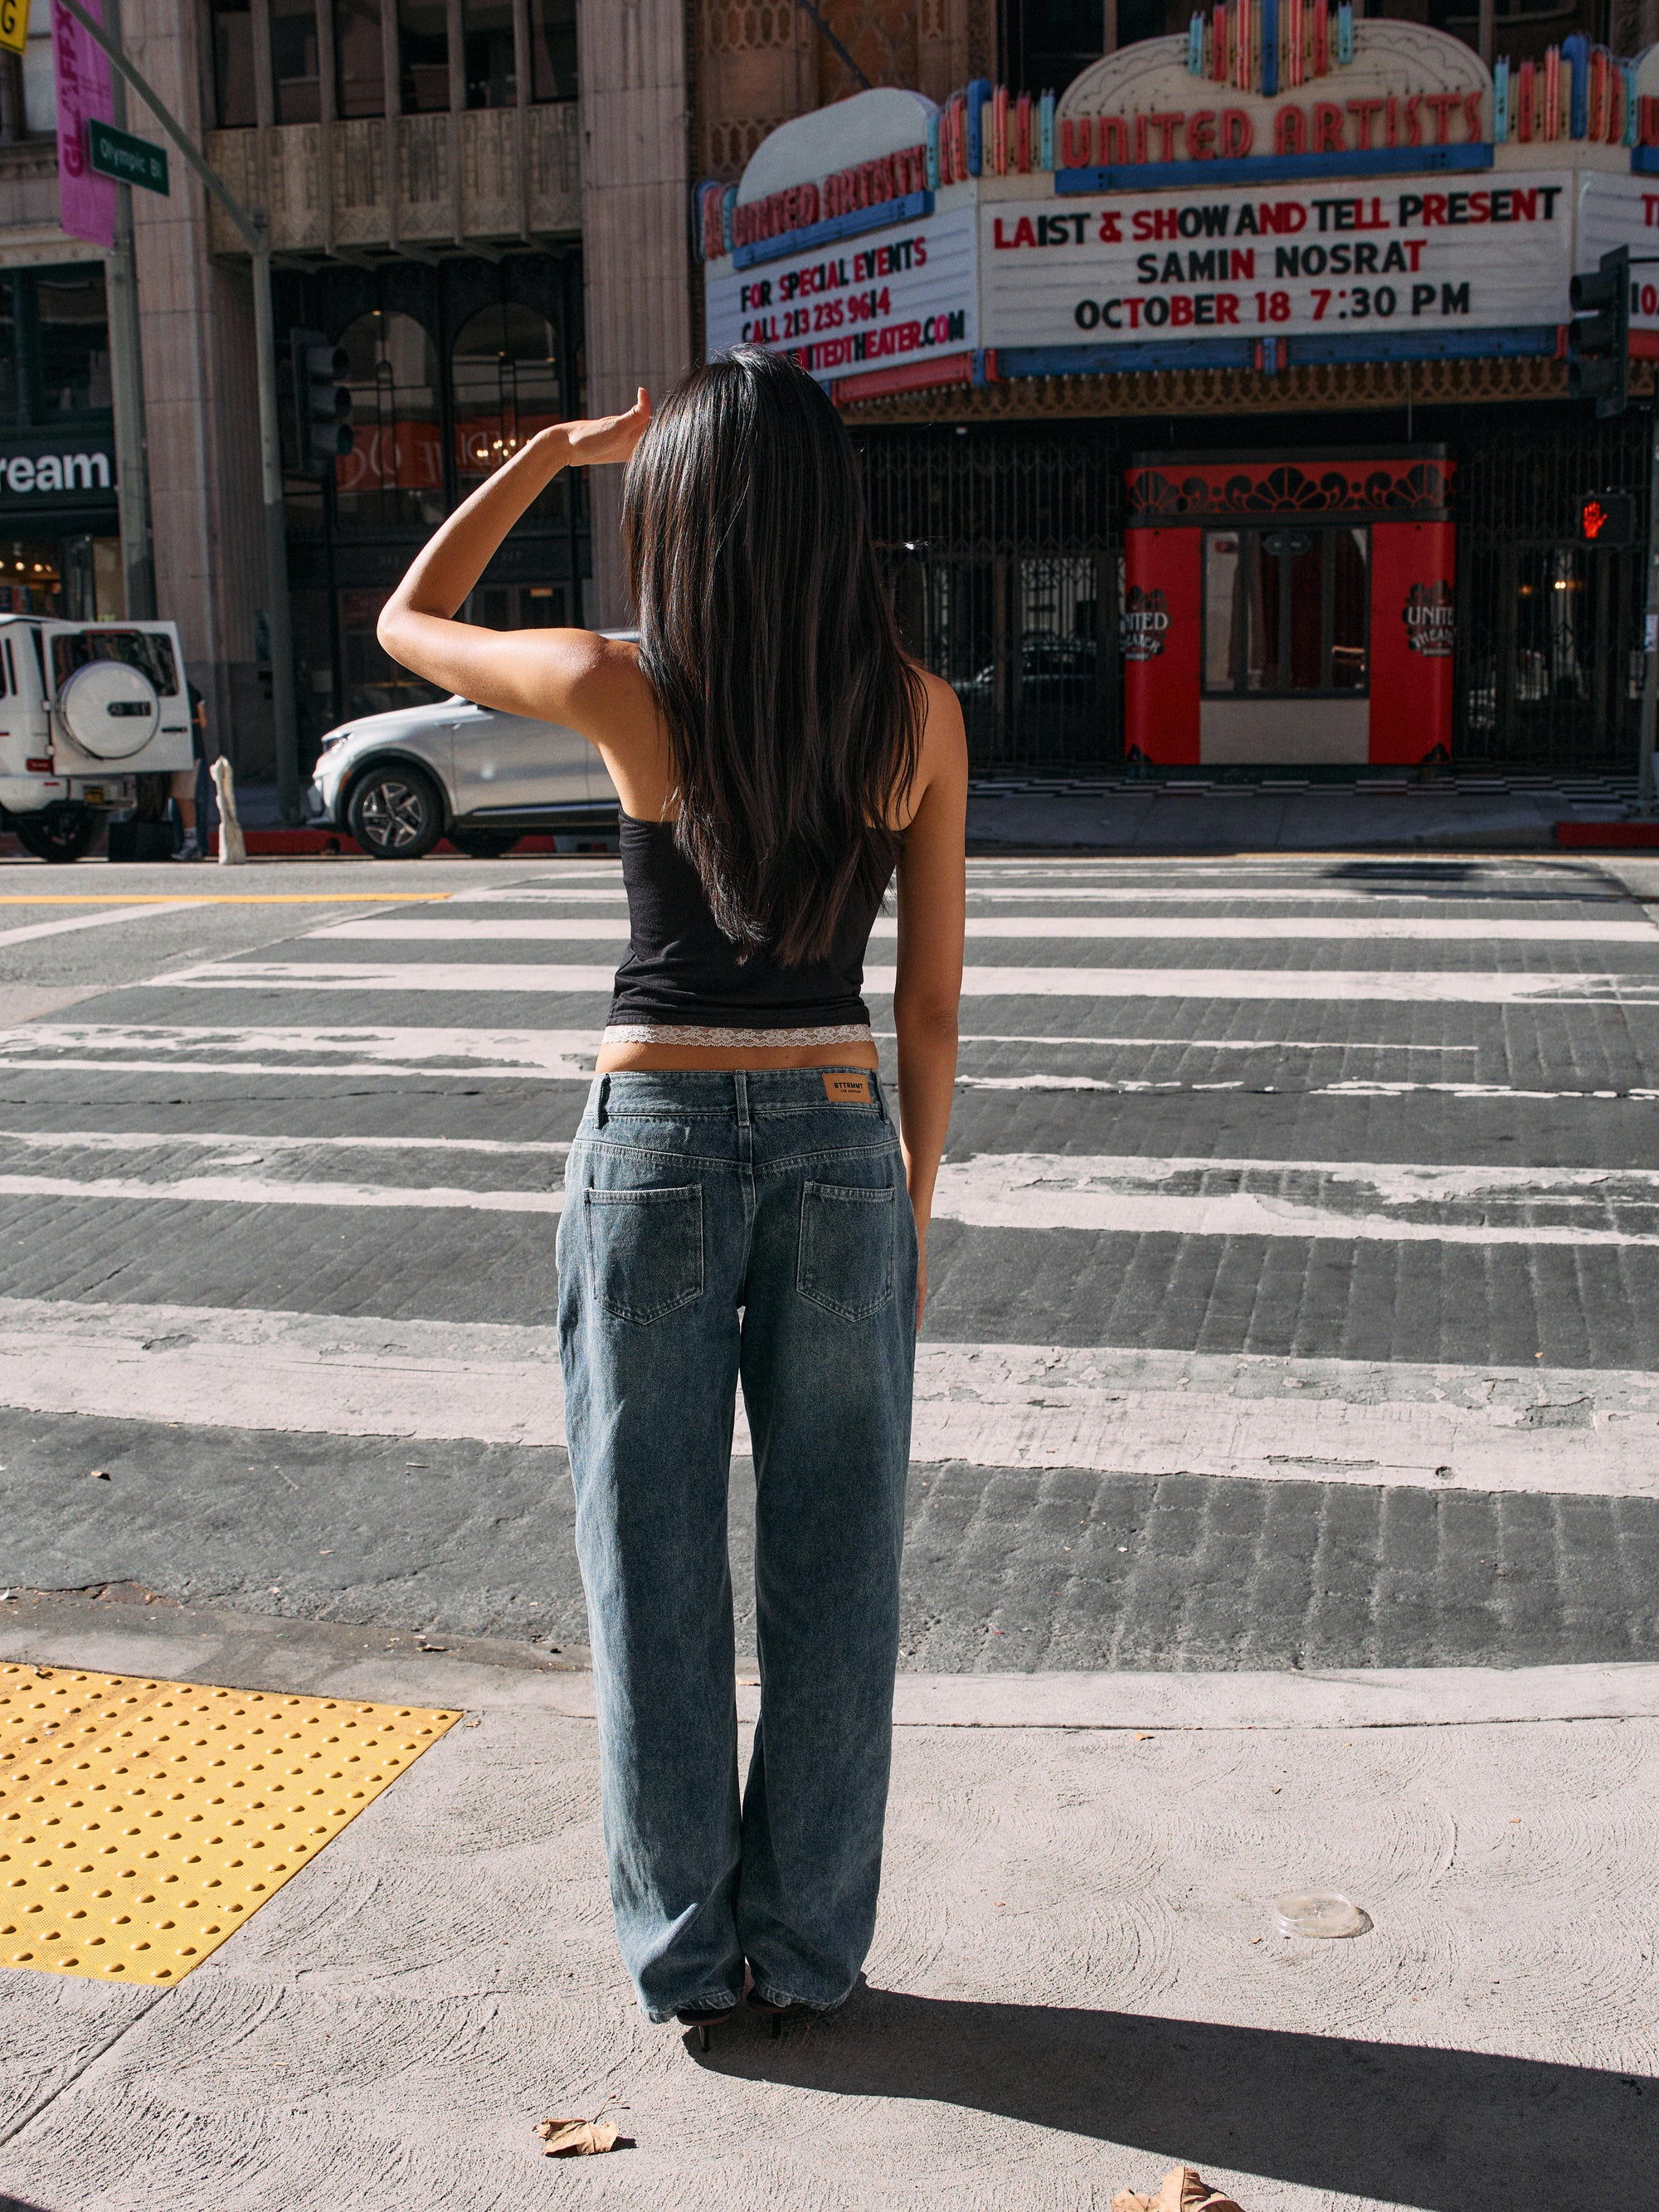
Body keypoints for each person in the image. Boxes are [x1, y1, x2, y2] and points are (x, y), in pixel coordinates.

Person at [377, 348, 967, 2038]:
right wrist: (908, 1205)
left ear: (685, 513)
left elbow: (411, 620)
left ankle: (690, 1954)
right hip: (842, 1134)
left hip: (649, 1144)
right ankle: (810, 1945)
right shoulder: (913, 713)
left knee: (648, 1559)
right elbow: (925, 1009)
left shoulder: (615, 682)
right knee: (839, 1566)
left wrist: (556, 453)